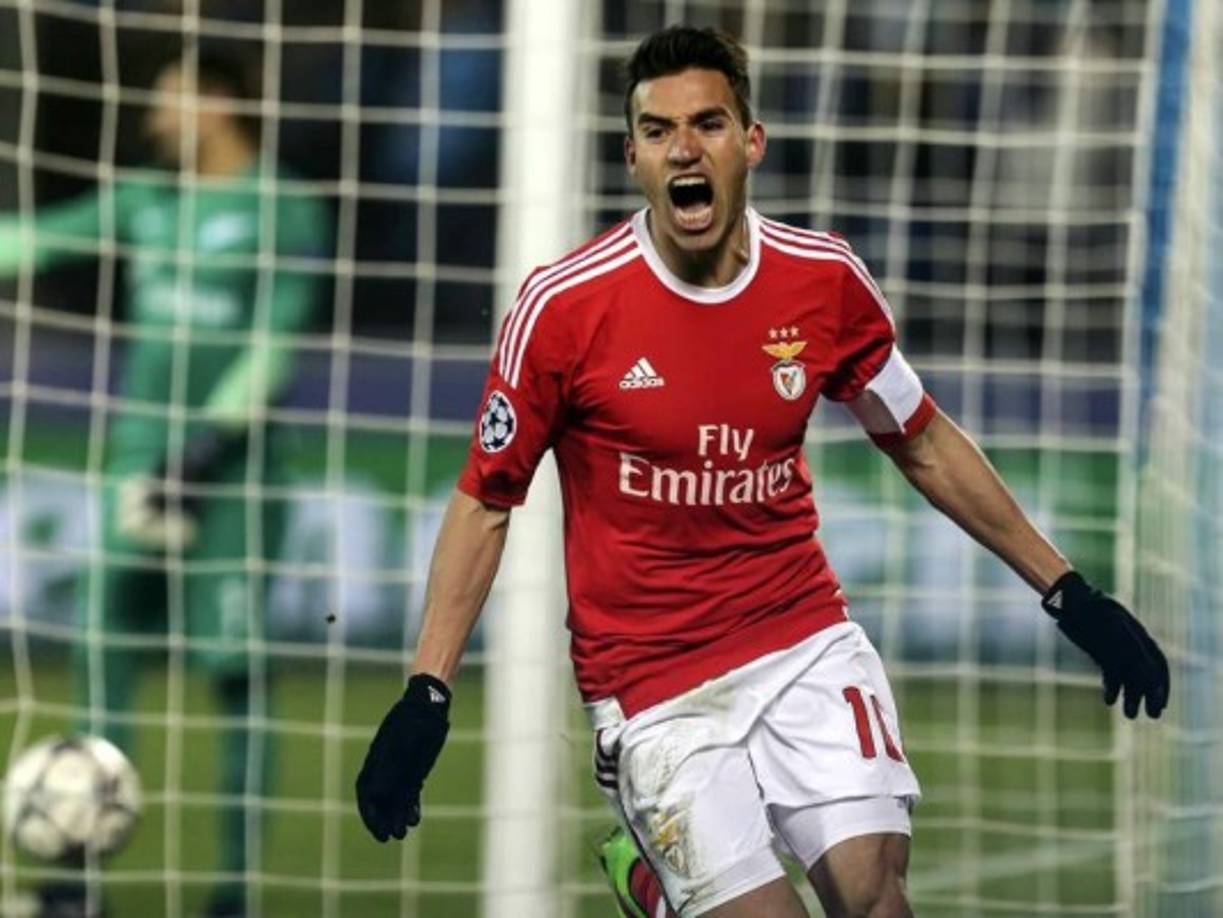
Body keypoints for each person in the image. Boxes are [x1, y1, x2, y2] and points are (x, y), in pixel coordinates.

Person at [354, 26, 1168, 918]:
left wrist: (1069, 594)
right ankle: (656, 881)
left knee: (875, 899)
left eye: (707, 123)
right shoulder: (565, 306)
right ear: (632, 158)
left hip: (802, 641)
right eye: (659, 131)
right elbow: (486, 500)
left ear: (751, 142)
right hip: (652, 683)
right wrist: (425, 695)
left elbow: (921, 438)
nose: (684, 149)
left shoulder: (822, 281)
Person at [0, 51, 329, 918]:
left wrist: (208, 448)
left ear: (216, 103)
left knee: (234, 675)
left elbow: (277, 341)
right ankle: (78, 883)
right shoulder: (149, 201)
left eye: (167, 98)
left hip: (233, 478)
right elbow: (29, 240)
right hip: (138, 461)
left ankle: (233, 894)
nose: (153, 118)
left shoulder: (283, 207)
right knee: (103, 652)